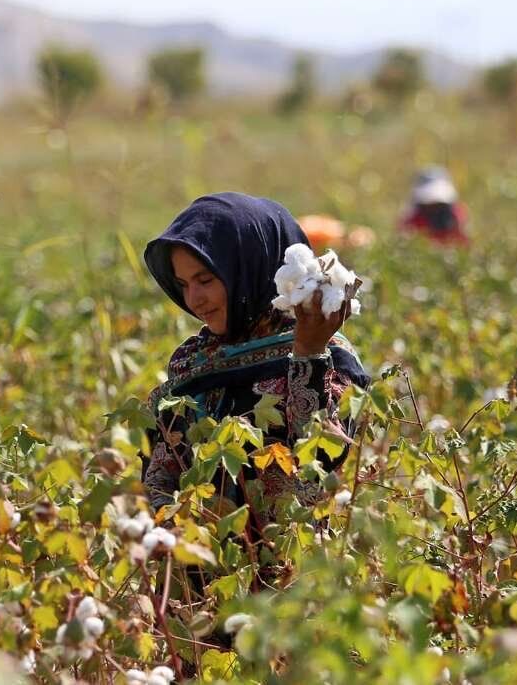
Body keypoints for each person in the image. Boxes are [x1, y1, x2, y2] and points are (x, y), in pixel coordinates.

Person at [140, 193, 370, 554]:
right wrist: (164, 528)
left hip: (289, 568)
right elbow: (164, 466)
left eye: (205, 279)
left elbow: (318, 461)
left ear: (249, 269)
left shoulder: (326, 351)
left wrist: (309, 354)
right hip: (198, 571)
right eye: (184, 285)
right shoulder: (192, 361)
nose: (194, 299)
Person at [398, 166, 469, 245]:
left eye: (439, 204)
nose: (435, 208)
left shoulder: (457, 218)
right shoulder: (411, 220)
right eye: (429, 204)